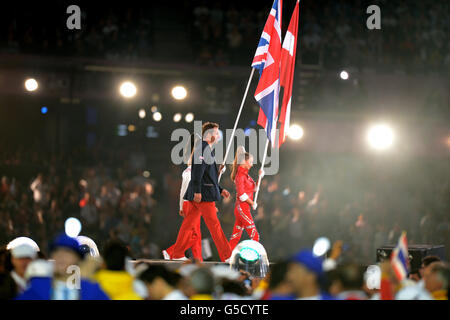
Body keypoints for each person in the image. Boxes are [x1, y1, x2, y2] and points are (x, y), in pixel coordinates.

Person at [170, 122, 232, 262]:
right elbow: (197, 171)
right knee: (214, 226)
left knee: (188, 225)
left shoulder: (206, 149)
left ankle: (178, 253)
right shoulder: (203, 149)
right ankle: (227, 255)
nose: (218, 136)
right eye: (216, 133)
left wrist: (220, 189)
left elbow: (207, 174)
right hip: (203, 195)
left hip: (201, 192)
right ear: (209, 135)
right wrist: (198, 191)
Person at [17, 234, 109, 300]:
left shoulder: (91, 291)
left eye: (68, 253)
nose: (61, 257)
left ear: (77, 259)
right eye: (56, 252)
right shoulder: (38, 288)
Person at [163, 134, 202, 261]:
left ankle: (197, 257)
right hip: (191, 202)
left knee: (195, 233)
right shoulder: (195, 160)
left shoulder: (191, 161)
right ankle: (173, 252)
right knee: (193, 233)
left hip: (188, 201)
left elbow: (183, 189)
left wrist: (181, 205)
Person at [229, 146, 263, 252]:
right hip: (242, 208)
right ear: (244, 161)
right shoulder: (240, 176)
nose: (252, 164)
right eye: (251, 162)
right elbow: (242, 195)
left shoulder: (245, 176)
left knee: (236, 236)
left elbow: (254, 189)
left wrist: (260, 177)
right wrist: (252, 203)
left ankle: (227, 255)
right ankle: (254, 258)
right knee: (254, 235)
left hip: (243, 209)